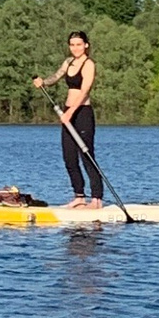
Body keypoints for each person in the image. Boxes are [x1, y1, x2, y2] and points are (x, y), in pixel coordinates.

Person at [33, 26, 106, 206]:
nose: (75, 48)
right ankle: (79, 196)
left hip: (82, 113)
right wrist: (44, 82)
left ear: (86, 45)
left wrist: (70, 113)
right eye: (72, 45)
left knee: (86, 155)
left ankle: (96, 198)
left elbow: (84, 91)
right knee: (69, 157)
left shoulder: (89, 64)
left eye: (79, 44)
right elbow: (56, 76)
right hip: (67, 113)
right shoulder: (68, 62)